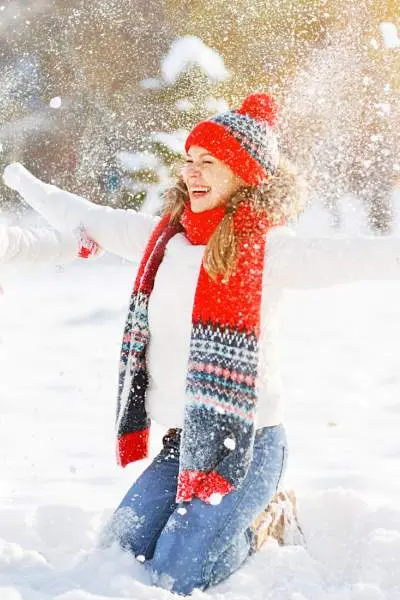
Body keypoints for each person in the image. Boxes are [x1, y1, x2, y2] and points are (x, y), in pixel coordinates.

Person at [3, 92, 400, 595]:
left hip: (247, 446)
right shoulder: (163, 241)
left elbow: (361, 257)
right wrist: (18, 177)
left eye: (208, 162)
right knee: (115, 553)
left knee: (177, 574)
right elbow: (84, 214)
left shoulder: (273, 253)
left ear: (244, 174)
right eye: (188, 160)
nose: (191, 172)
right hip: (184, 442)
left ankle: (263, 523)